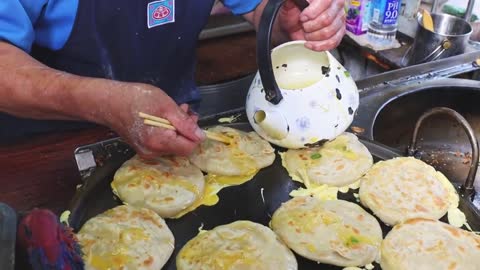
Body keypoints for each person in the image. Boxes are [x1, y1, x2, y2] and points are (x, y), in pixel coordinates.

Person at [0, 0, 346, 158]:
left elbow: (260, 8)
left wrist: (288, 25)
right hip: (51, 150)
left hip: (181, 138)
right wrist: (106, 102)